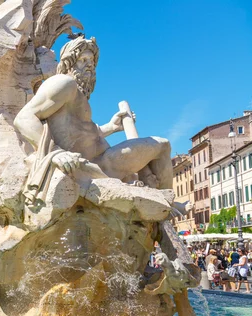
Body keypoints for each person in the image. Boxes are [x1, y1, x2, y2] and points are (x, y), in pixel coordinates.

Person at [13, 35, 174, 206]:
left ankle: (167, 205)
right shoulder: (63, 83)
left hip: (103, 161)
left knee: (162, 146)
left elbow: (80, 134)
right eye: (83, 59)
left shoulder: (79, 95)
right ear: (69, 63)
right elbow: (23, 118)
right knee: (162, 145)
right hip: (90, 166)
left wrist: (110, 127)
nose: (89, 65)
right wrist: (56, 153)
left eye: (92, 61)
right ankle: (167, 208)